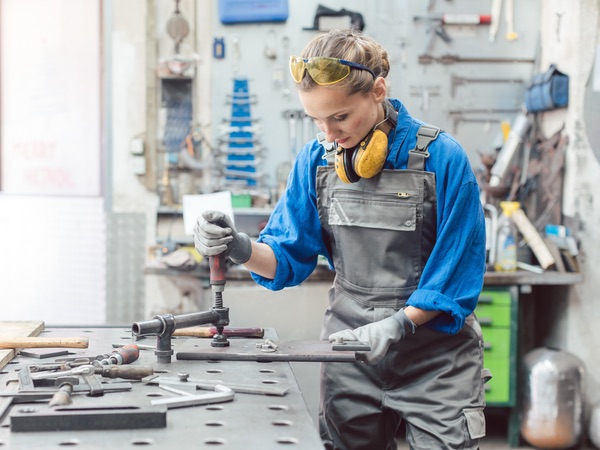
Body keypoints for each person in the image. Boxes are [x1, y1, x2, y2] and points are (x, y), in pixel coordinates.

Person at [194, 28, 488, 450]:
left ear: (378, 91)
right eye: (317, 120)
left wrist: (399, 323)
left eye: (341, 117)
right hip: (350, 354)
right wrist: (238, 246)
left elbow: (455, 277)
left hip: (436, 361)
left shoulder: (443, 158)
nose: (329, 135)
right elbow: (284, 258)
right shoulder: (317, 160)